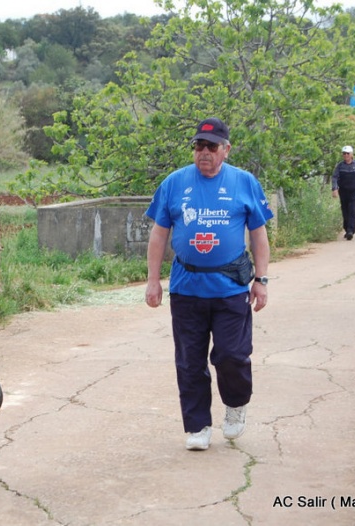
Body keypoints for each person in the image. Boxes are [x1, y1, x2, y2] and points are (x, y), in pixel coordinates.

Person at [144, 117, 273, 451]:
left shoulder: (244, 183)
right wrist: (153, 281)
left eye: (211, 146)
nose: (204, 152)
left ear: (226, 150)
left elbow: (259, 235)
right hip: (186, 289)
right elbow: (159, 234)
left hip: (230, 288)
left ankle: (235, 405)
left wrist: (261, 280)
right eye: (199, 145)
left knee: (232, 355)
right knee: (189, 361)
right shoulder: (174, 184)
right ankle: (198, 425)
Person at [331, 145, 355, 240]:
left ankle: (350, 230)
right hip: (343, 191)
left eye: (347, 153)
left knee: (352, 210)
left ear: (351, 154)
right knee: (345, 211)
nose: (346, 155)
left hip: (354, 191)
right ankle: (346, 229)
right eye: (344, 153)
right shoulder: (340, 165)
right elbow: (335, 177)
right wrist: (334, 188)